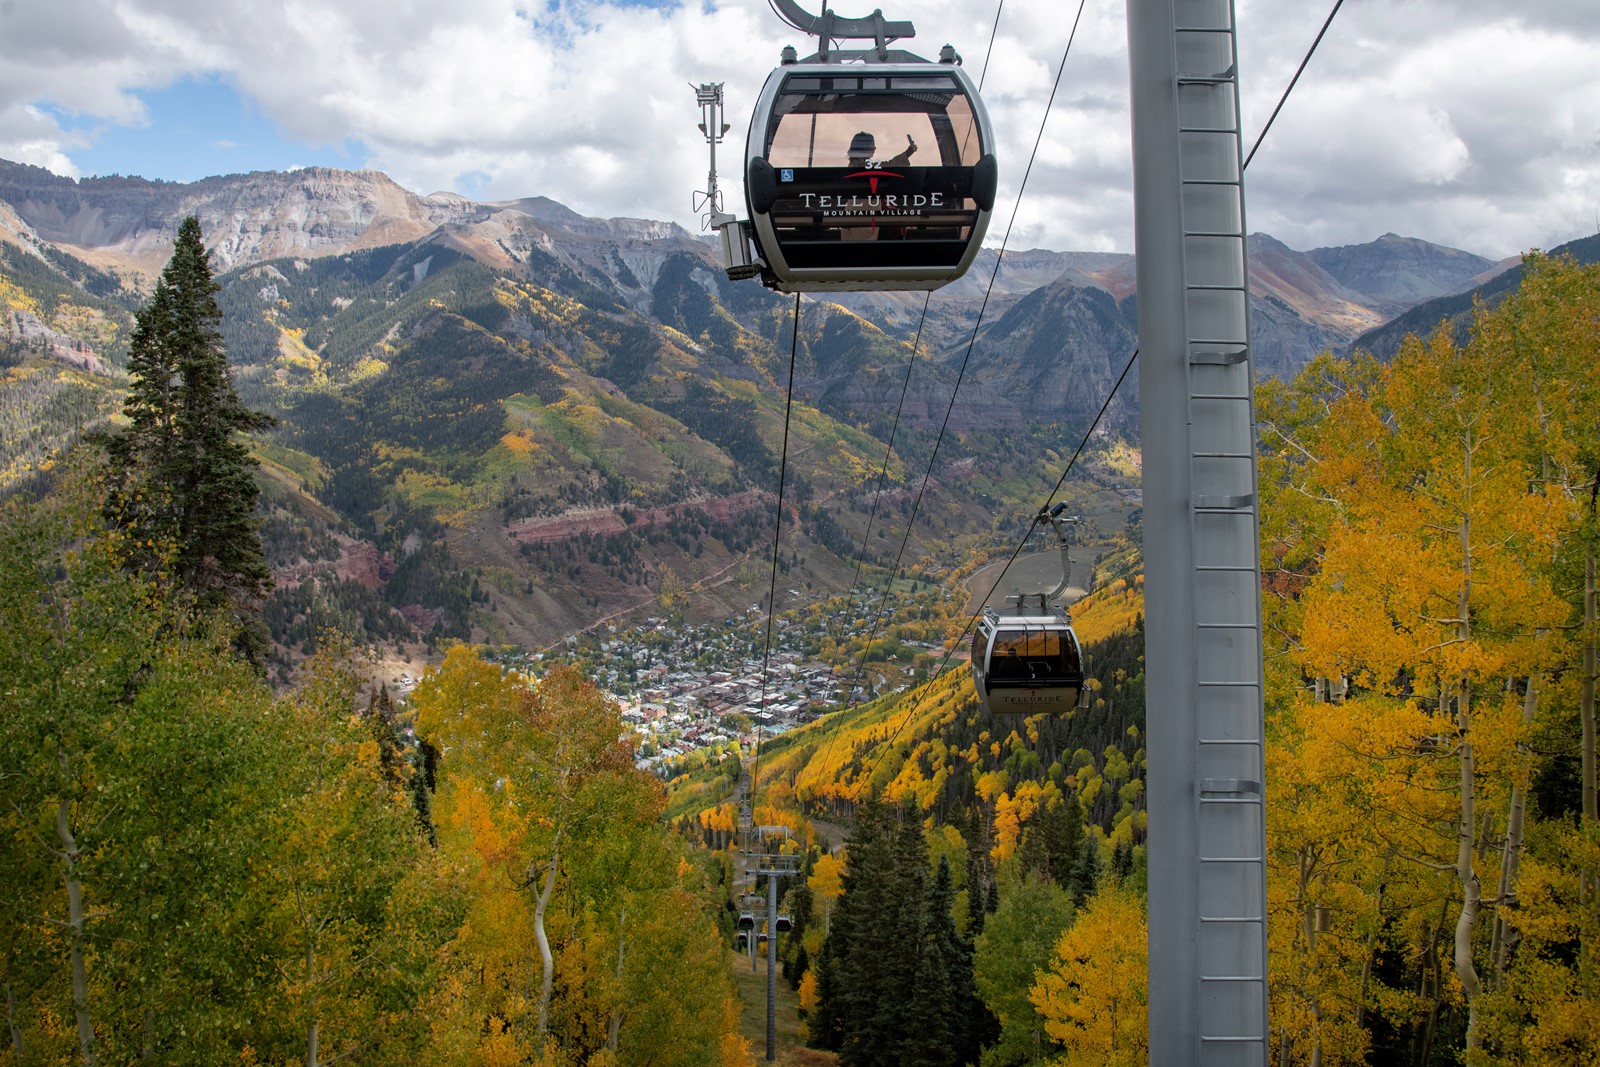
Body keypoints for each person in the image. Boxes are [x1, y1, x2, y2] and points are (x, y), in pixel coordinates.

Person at [846, 130, 917, 167]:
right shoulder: (861, 167)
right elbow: (889, 165)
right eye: (872, 145)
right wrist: (909, 152)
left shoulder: (857, 165)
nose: (874, 148)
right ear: (864, 147)